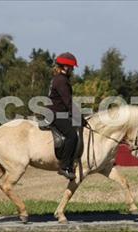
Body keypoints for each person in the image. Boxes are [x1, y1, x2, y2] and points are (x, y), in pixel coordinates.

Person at [48, 52, 85, 180]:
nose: (73, 70)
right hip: (56, 114)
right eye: (72, 67)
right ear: (65, 67)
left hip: (59, 113)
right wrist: (79, 118)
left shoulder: (59, 78)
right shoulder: (61, 81)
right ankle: (64, 166)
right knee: (72, 135)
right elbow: (68, 102)